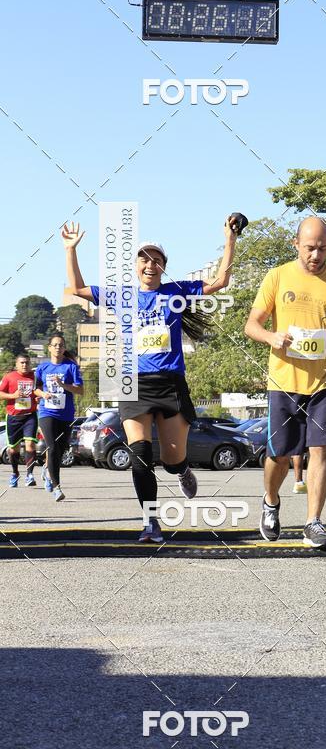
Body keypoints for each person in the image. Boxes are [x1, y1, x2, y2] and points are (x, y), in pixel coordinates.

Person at [63, 218, 239, 542]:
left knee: (172, 460)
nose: (150, 262)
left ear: (163, 267)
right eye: (144, 257)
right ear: (136, 265)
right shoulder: (122, 296)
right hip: (133, 383)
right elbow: (76, 289)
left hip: (170, 382)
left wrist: (230, 239)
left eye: (156, 258)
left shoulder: (177, 292)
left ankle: (183, 470)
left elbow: (220, 282)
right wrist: (70, 250)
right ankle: (151, 523)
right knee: (140, 457)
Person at [245, 216, 326, 548]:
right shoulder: (278, 276)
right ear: (296, 244)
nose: (316, 255)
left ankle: (314, 522)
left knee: (320, 450)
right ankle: (271, 502)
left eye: (323, 248)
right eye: (310, 248)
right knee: (280, 455)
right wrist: (271, 337)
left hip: (325, 382)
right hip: (284, 383)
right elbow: (251, 325)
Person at [34, 334, 83, 502]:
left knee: (61, 449)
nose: (57, 348)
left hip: (66, 414)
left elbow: (80, 390)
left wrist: (63, 385)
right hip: (46, 413)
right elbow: (36, 389)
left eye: (61, 345)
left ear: (64, 348)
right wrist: (43, 394)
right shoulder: (43, 367)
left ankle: (48, 470)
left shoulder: (71, 367)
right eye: (54, 345)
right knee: (52, 447)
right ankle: (57, 488)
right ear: (49, 348)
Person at [0, 353, 38, 487]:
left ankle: (29, 475)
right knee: (13, 449)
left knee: (30, 444)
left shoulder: (34, 377)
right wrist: (13, 395)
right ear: (17, 364)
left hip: (30, 416)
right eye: (22, 363)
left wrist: (38, 398)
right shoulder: (9, 377)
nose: (24, 365)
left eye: (27, 362)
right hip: (13, 417)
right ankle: (15, 473)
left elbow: (39, 391)